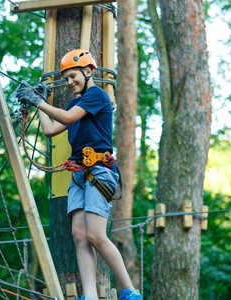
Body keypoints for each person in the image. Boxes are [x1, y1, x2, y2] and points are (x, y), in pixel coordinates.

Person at [16, 49, 142, 300]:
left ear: (88, 71)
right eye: (67, 79)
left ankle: (130, 291)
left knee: (95, 234)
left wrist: (38, 100)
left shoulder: (96, 95)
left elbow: (67, 117)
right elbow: (51, 129)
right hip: (79, 175)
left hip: (99, 171)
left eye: (73, 76)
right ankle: (91, 296)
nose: (70, 82)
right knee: (80, 236)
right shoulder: (76, 103)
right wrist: (39, 101)